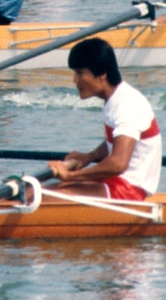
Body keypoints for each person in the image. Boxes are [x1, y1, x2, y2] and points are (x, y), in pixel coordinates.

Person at [48, 38, 161, 201]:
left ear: (102, 75)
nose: (75, 80)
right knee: (39, 192)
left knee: (44, 196)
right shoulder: (116, 98)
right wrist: (91, 156)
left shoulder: (128, 105)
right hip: (117, 182)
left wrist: (70, 176)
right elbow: (117, 142)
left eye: (80, 73)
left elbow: (118, 163)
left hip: (129, 190)